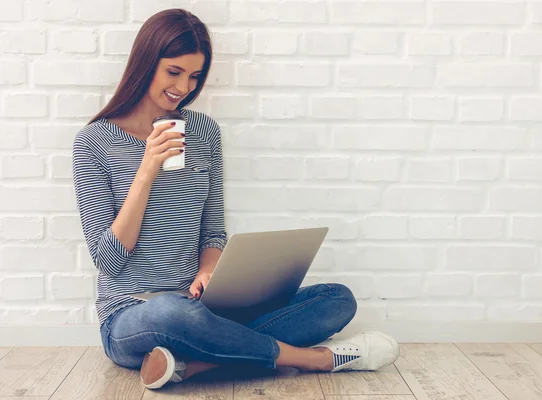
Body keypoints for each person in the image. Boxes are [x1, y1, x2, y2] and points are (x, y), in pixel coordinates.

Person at [72, 8, 400, 390]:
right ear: (146, 63)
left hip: (204, 309)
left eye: (194, 76)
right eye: (173, 72)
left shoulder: (205, 132)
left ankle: (192, 365)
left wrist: (208, 271)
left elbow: (212, 233)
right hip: (134, 315)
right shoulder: (94, 143)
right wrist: (146, 170)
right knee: (174, 313)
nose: (183, 87)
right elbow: (109, 260)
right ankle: (317, 359)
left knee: (336, 299)